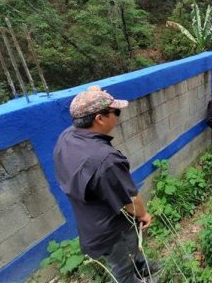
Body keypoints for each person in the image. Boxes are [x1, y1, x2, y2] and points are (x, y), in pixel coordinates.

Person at [54, 86, 157, 283]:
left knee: (130, 255)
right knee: (123, 271)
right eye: (115, 112)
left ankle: (143, 267)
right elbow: (131, 199)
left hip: (91, 223)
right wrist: (144, 215)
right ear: (99, 119)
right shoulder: (105, 159)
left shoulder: (67, 137)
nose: (117, 116)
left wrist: (93, 94)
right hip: (113, 231)